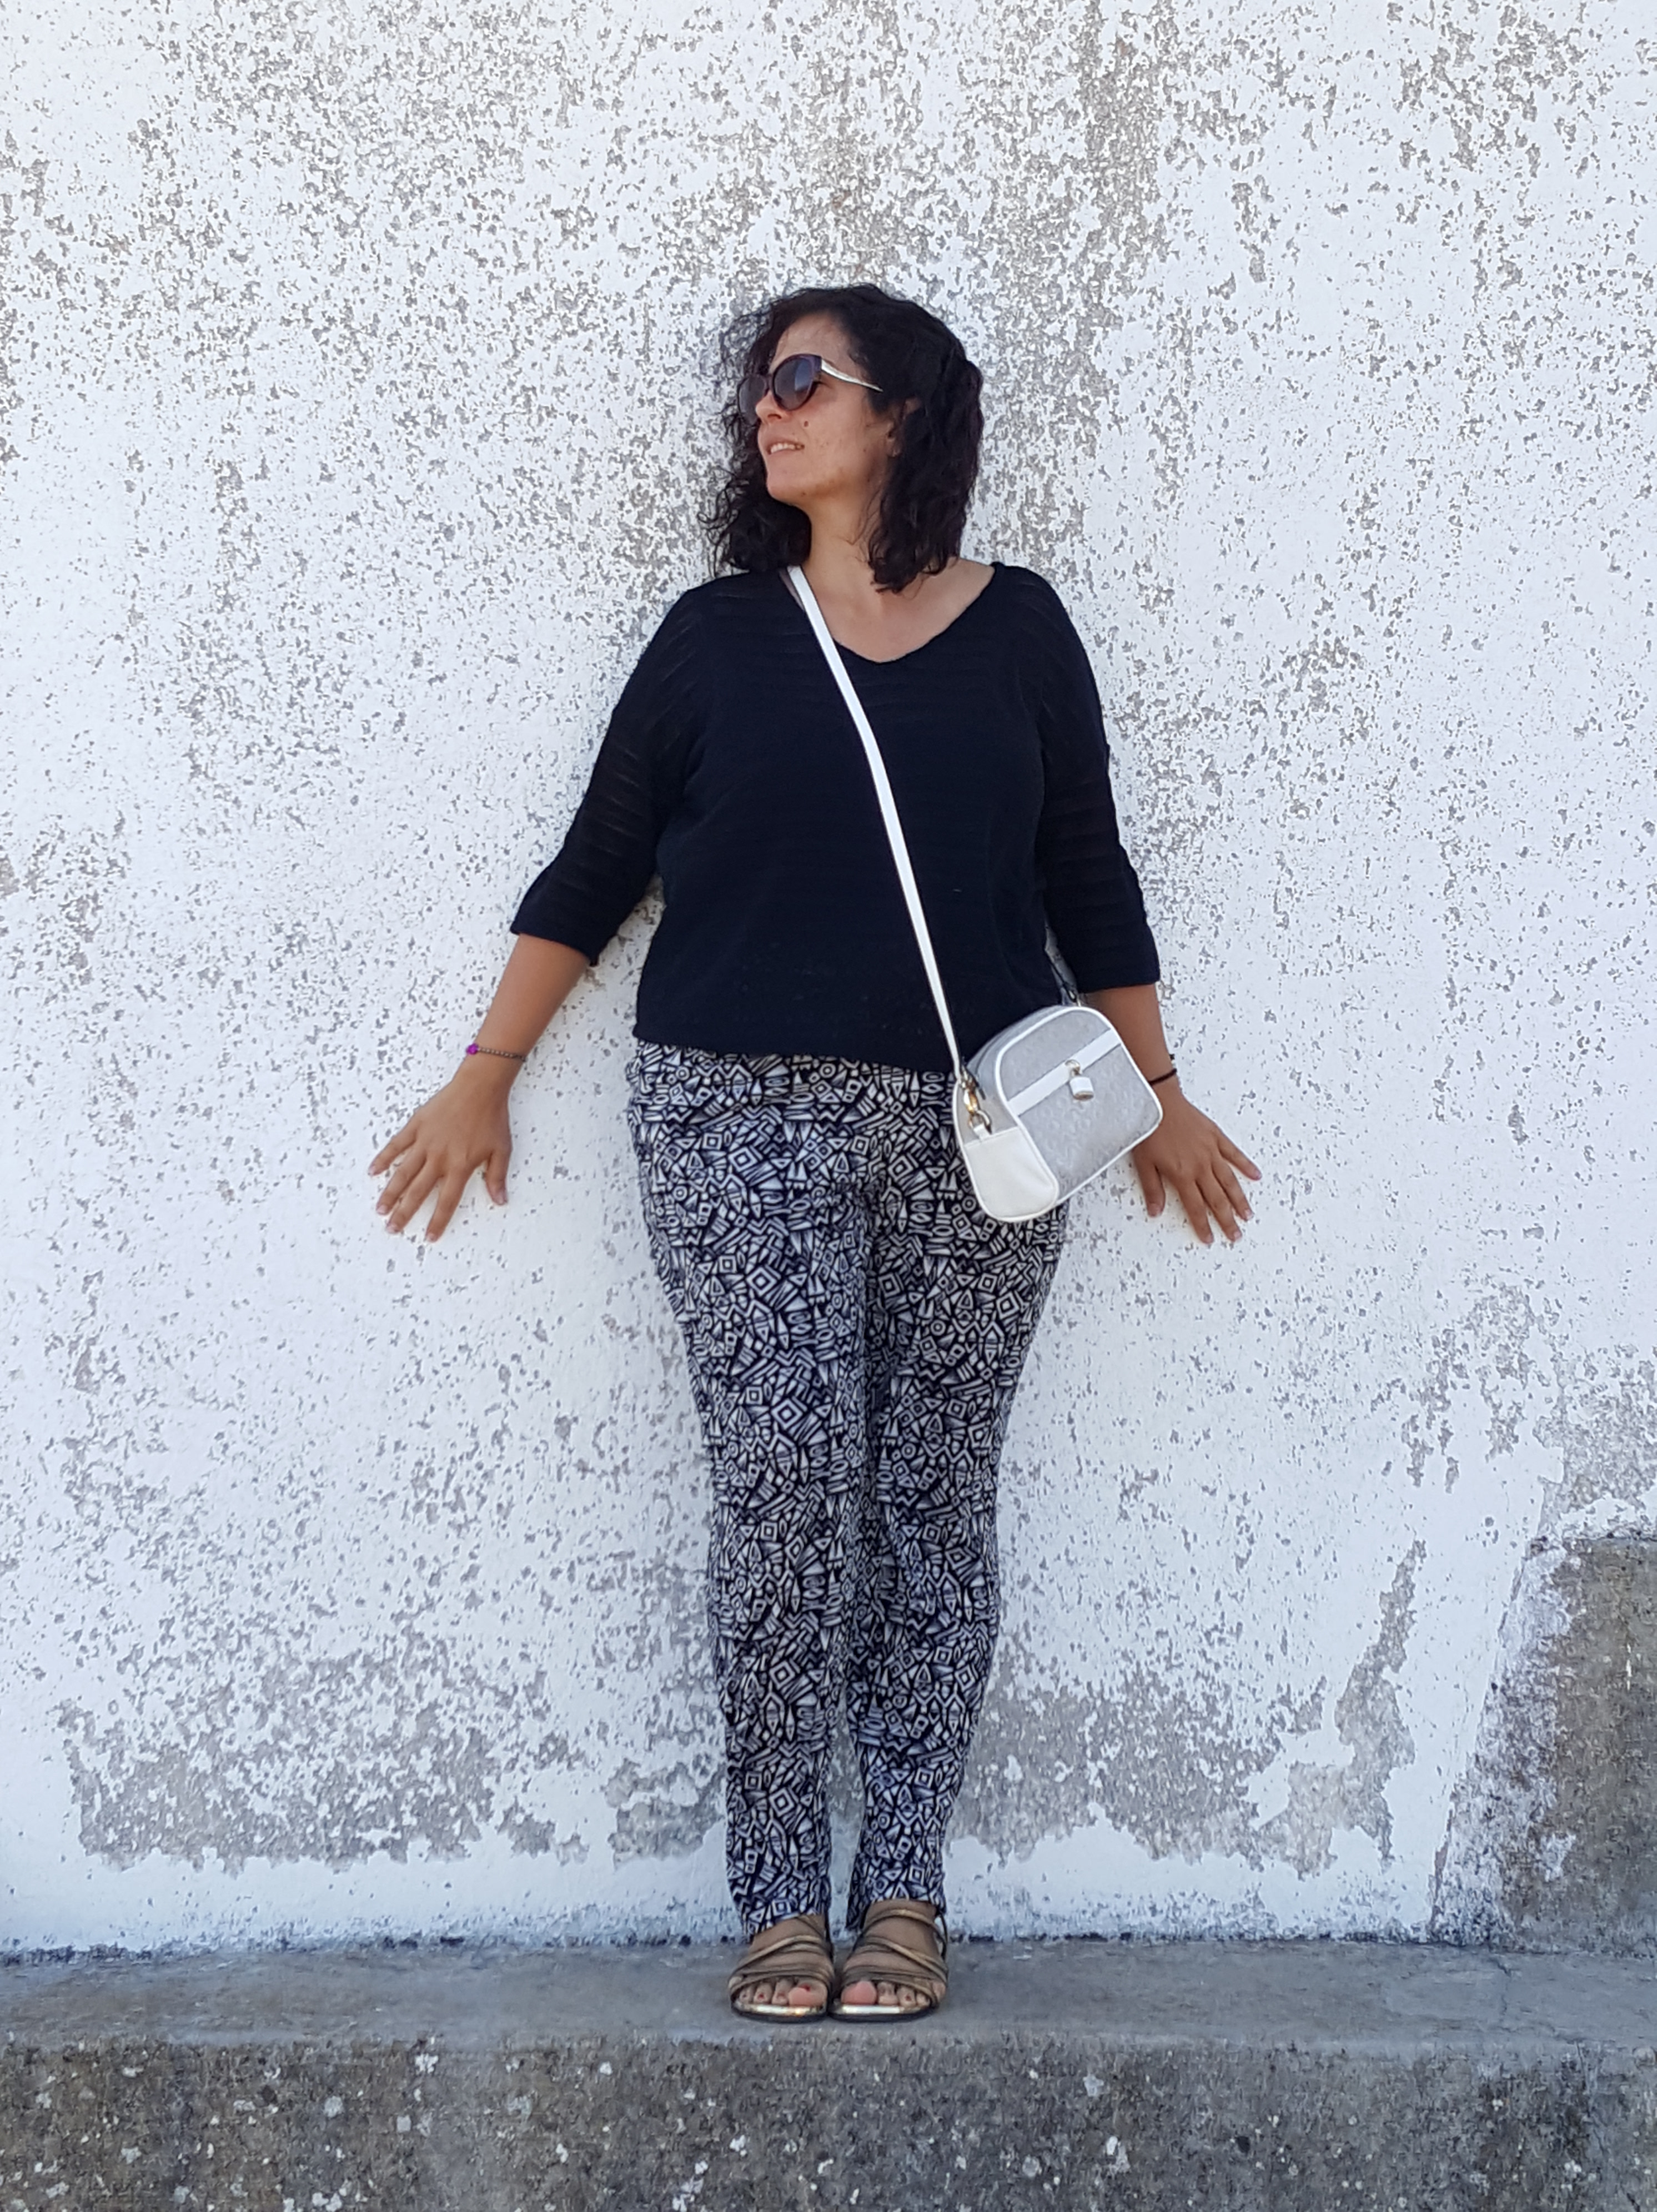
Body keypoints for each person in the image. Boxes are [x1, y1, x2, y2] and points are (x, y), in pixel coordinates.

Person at [370, 283, 1259, 2022]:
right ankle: (780, 1898)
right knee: (785, 1490)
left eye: (802, 378)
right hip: (735, 1109)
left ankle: (903, 1892)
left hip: (983, 1128)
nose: (767, 409)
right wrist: (487, 1071)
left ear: (901, 413)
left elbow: (1088, 874)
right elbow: (598, 865)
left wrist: (1155, 1088)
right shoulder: (716, 638)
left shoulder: (1024, 631)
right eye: (758, 387)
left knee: (934, 1497)